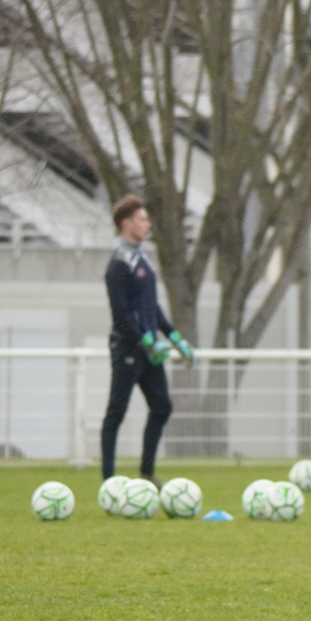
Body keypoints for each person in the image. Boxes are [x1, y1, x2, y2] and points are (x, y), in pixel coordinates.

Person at [101, 193, 194, 484]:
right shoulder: (117, 265)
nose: (148, 225)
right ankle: (109, 480)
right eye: (142, 220)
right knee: (117, 411)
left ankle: (147, 473)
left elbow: (151, 306)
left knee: (162, 406)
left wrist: (175, 337)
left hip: (150, 351)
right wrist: (146, 342)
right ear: (126, 223)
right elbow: (121, 315)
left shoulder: (144, 260)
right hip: (128, 348)